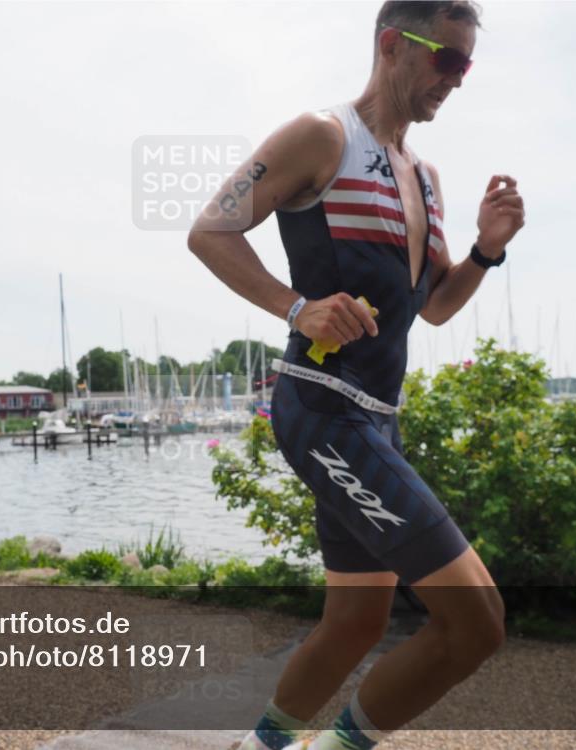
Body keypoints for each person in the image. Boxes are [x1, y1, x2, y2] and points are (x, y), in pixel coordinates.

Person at [186, 2, 526, 748]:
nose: (457, 80)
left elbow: (434, 307)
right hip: (322, 408)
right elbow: (209, 230)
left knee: (355, 623)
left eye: (467, 65)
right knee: (477, 622)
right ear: (392, 45)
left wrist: (486, 250)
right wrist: (296, 306)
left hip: (376, 420)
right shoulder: (323, 136)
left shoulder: (425, 178)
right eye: (448, 59)